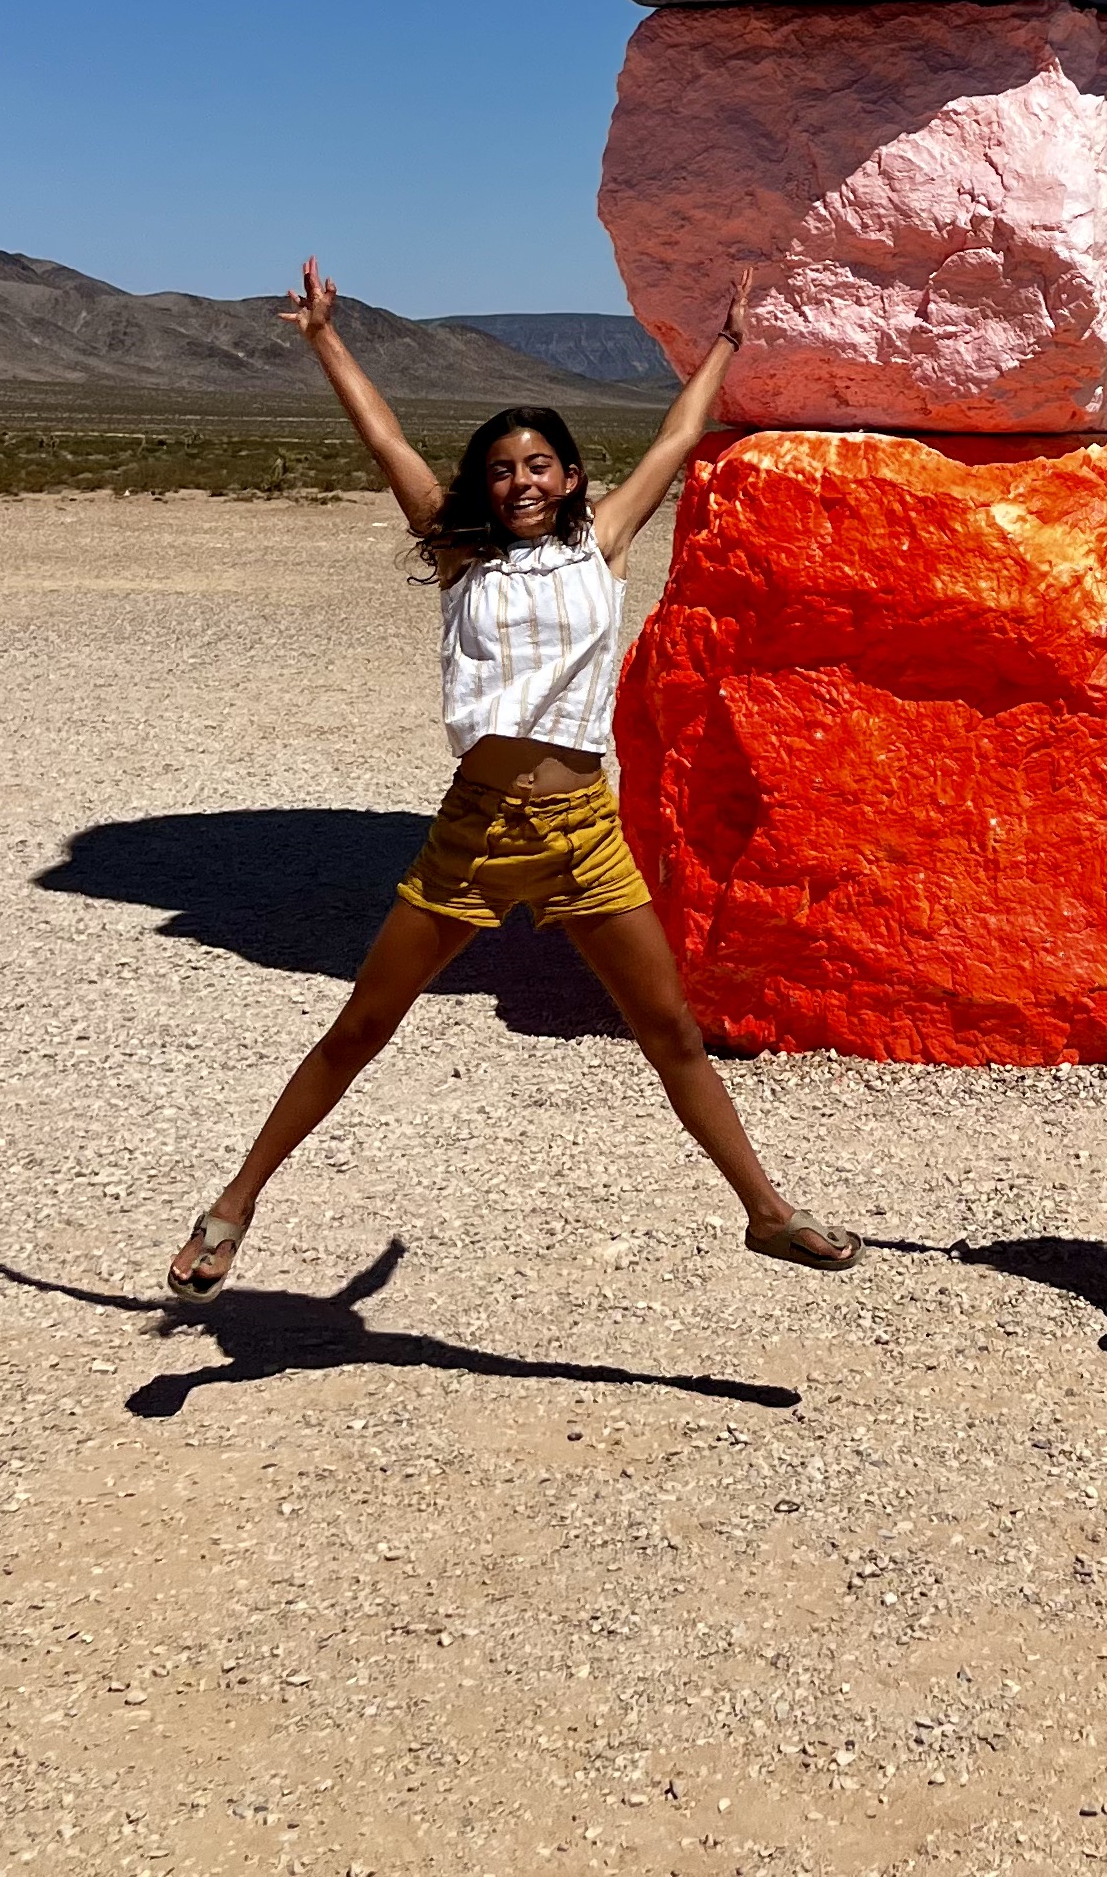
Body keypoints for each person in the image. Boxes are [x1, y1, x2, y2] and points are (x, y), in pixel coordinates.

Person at [164, 259, 859, 1298]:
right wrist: (323, 338)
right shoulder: (460, 558)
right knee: (364, 1023)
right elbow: (389, 442)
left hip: (584, 828)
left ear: (572, 478)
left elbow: (675, 439)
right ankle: (234, 1204)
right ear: (482, 487)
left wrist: (725, 342)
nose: (521, 479)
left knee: (667, 1029)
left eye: (540, 464)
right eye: (501, 468)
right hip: (478, 831)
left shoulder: (603, 546)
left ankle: (765, 1211)